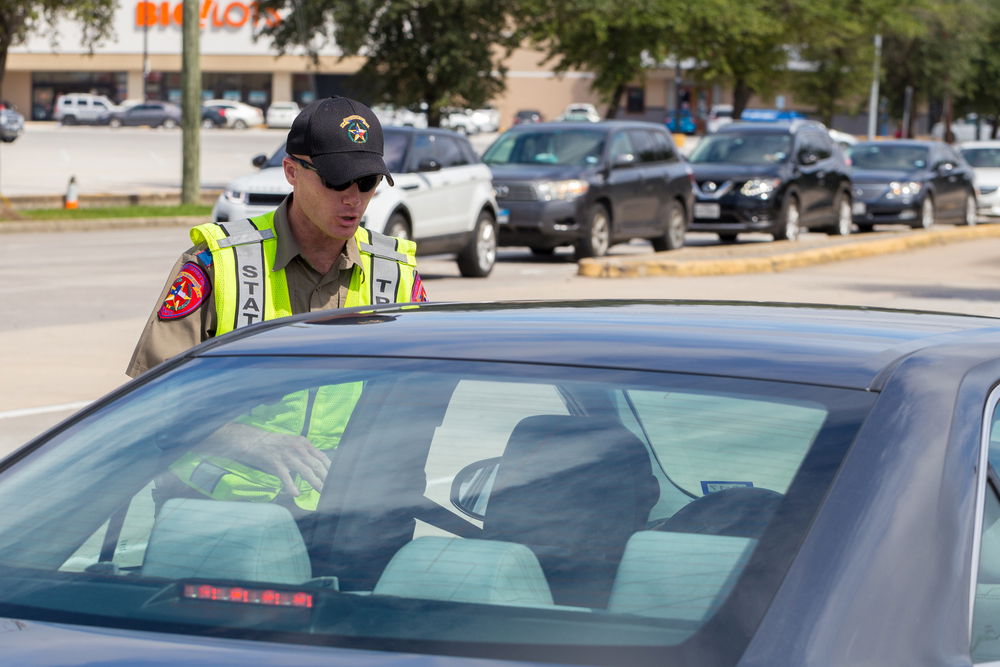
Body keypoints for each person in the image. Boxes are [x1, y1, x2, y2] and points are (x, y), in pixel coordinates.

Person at [127, 95, 428, 511]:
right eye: (337, 181)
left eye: (367, 182)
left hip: (351, 515)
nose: (353, 199)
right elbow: (151, 398)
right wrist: (245, 441)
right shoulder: (219, 263)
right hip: (218, 507)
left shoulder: (396, 274)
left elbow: (421, 406)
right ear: (291, 171)